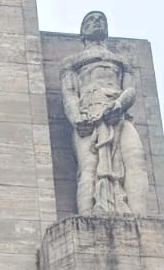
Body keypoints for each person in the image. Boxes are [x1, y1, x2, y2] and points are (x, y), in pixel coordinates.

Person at [60, 11, 148, 215]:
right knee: (89, 167)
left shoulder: (121, 60)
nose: (97, 22)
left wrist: (119, 104)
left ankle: (140, 218)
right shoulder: (72, 61)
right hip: (89, 116)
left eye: (101, 19)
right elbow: (70, 93)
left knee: (135, 159)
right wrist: (76, 118)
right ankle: (88, 216)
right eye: (90, 20)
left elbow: (130, 90)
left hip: (118, 114)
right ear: (82, 33)